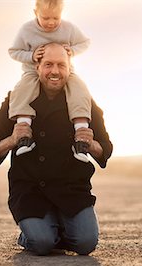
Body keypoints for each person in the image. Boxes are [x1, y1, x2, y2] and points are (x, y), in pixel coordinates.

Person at [0, 43, 113, 256]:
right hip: (31, 190)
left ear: (69, 68)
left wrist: (91, 145)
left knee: (85, 244)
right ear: (37, 68)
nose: (54, 71)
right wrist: (13, 139)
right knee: (42, 243)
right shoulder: (17, 99)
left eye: (61, 65)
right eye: (48, 64)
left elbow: (105, 150)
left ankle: (52, 227)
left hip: (71, 190)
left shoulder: (82, 102)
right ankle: (33, 234)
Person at [8, 0, 93, 162]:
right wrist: (31, 56)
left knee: (80, 91)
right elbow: (13, 51)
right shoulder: (27, 30)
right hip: (32, 72)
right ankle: (24, 134)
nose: (51, 22)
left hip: (66, 72)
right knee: (21, 91)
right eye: (45, 18)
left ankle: (81, 137)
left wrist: (72, 50)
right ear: (35, 13)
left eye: (56, 18)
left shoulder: (69, 28)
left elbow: (85, 42)